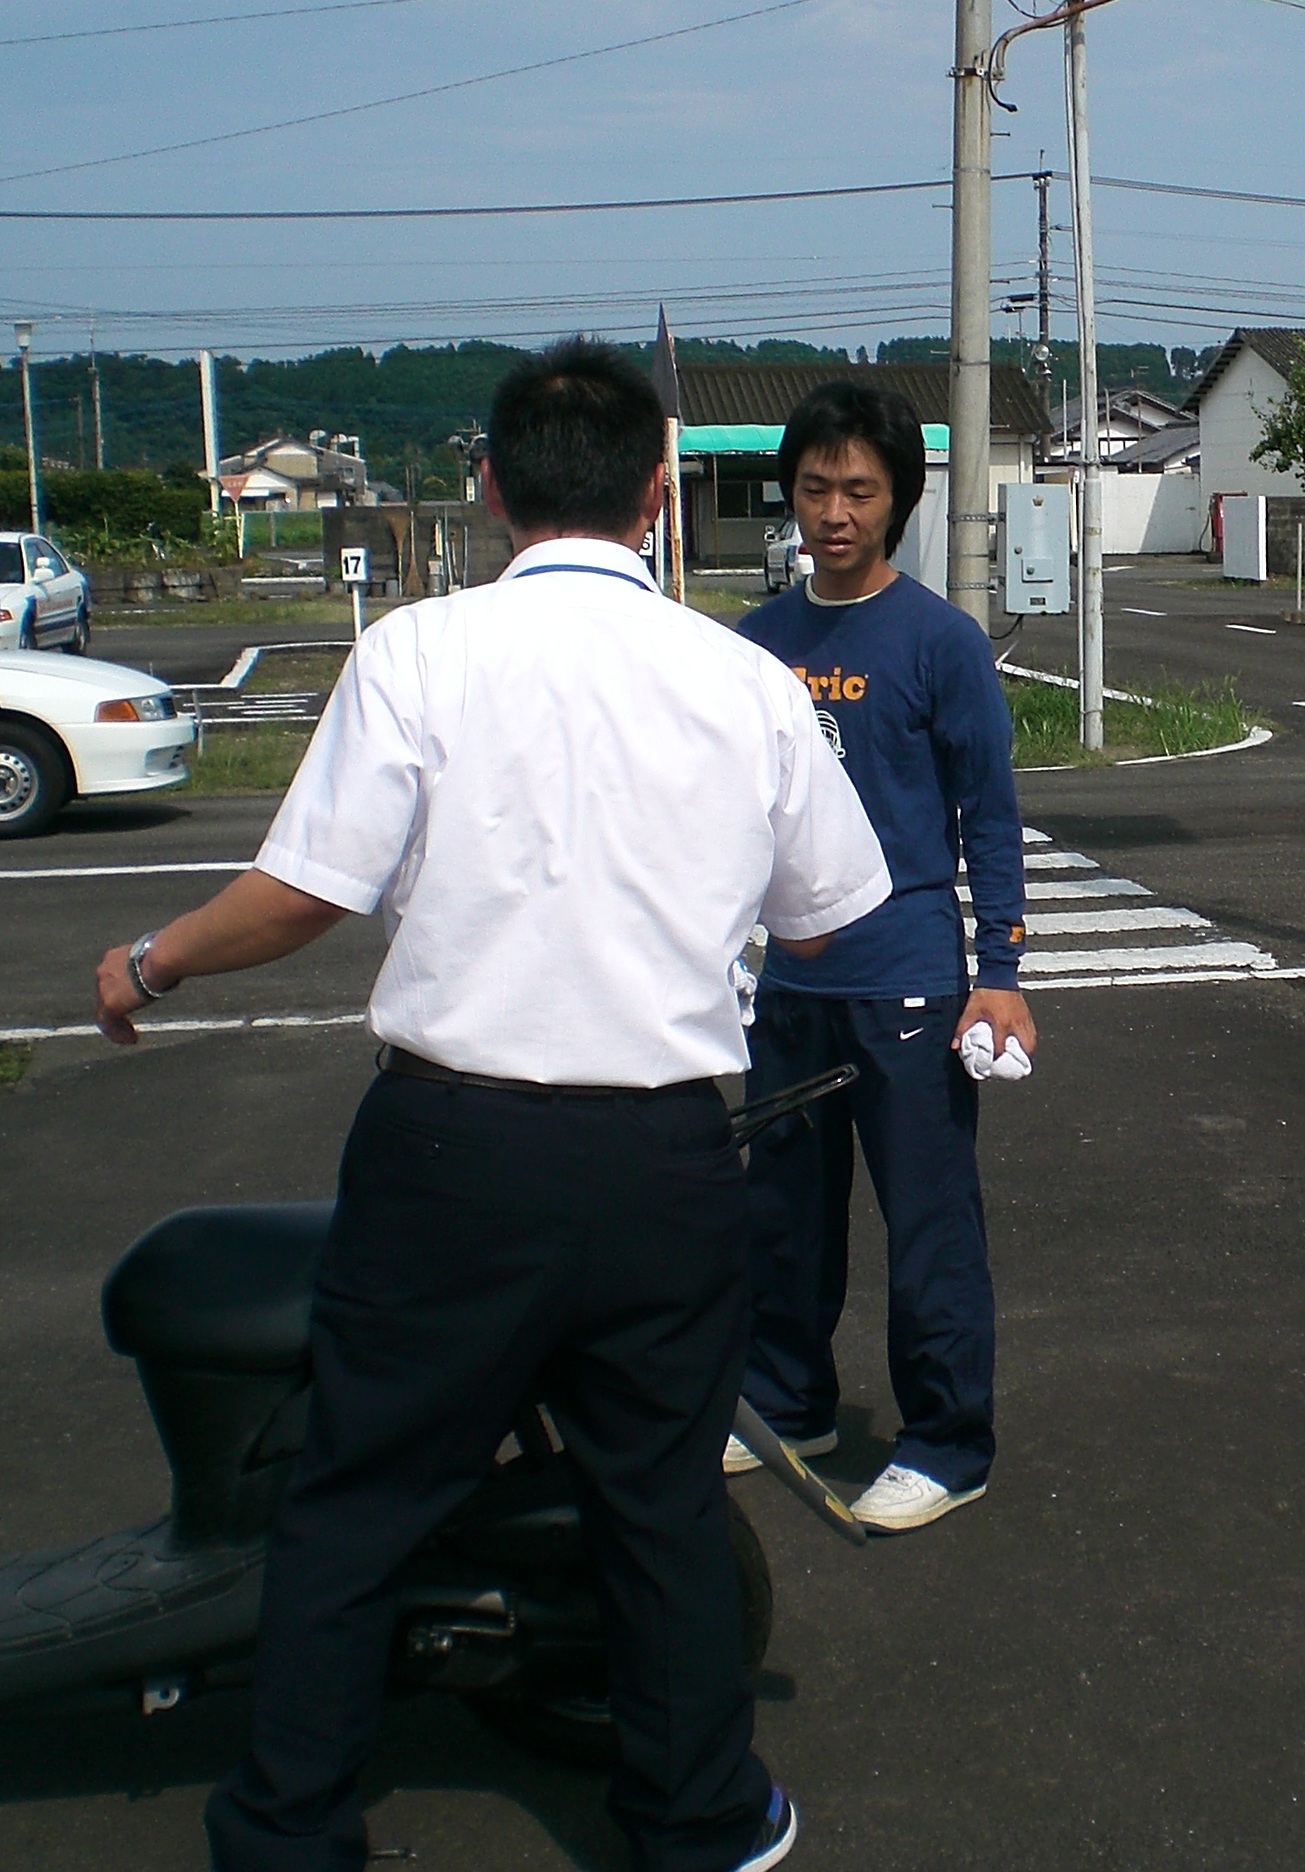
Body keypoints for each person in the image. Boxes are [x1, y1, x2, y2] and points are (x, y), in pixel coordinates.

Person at [92, 339, 891, 1871]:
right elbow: (826, 915)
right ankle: (697, 1821)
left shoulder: (420, 653)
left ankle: (290, 1832)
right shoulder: (747, 682)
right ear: (659, 494)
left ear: (488, 489)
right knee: (658, 1502)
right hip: (666, 1152)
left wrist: (150, 960)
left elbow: (304, 893)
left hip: (454, 1150)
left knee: (361, 1500)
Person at [731, 379, 1031, 1534]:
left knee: (928, 1225)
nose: (834, 512)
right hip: (789, 985)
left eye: (858, 489)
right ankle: (786, 1402)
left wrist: (998, 975)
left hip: (908, 985)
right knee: (782, 1220)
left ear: (898, 499)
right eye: (815, 488)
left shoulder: (940, 642)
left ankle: (947, 1443)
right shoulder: (757, 643)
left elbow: (988, 817)